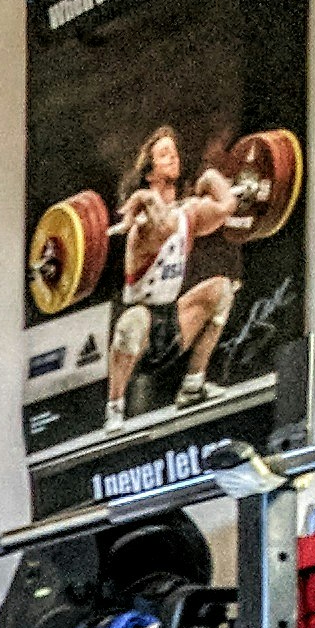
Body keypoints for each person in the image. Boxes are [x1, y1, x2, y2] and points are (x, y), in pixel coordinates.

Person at [104, 127, 238, 421]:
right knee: (131, 322)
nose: (173, 157)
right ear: (150, 173)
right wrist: (142, 198)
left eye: (174, 152)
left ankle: (193, 385)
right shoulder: (145, 226)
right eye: (164, 154)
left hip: (173, 324)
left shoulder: (187, 215)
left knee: (221, 290)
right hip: (141, 336)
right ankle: (114, 408)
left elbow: (228, 206)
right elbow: (162, 223)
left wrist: (211, 178)